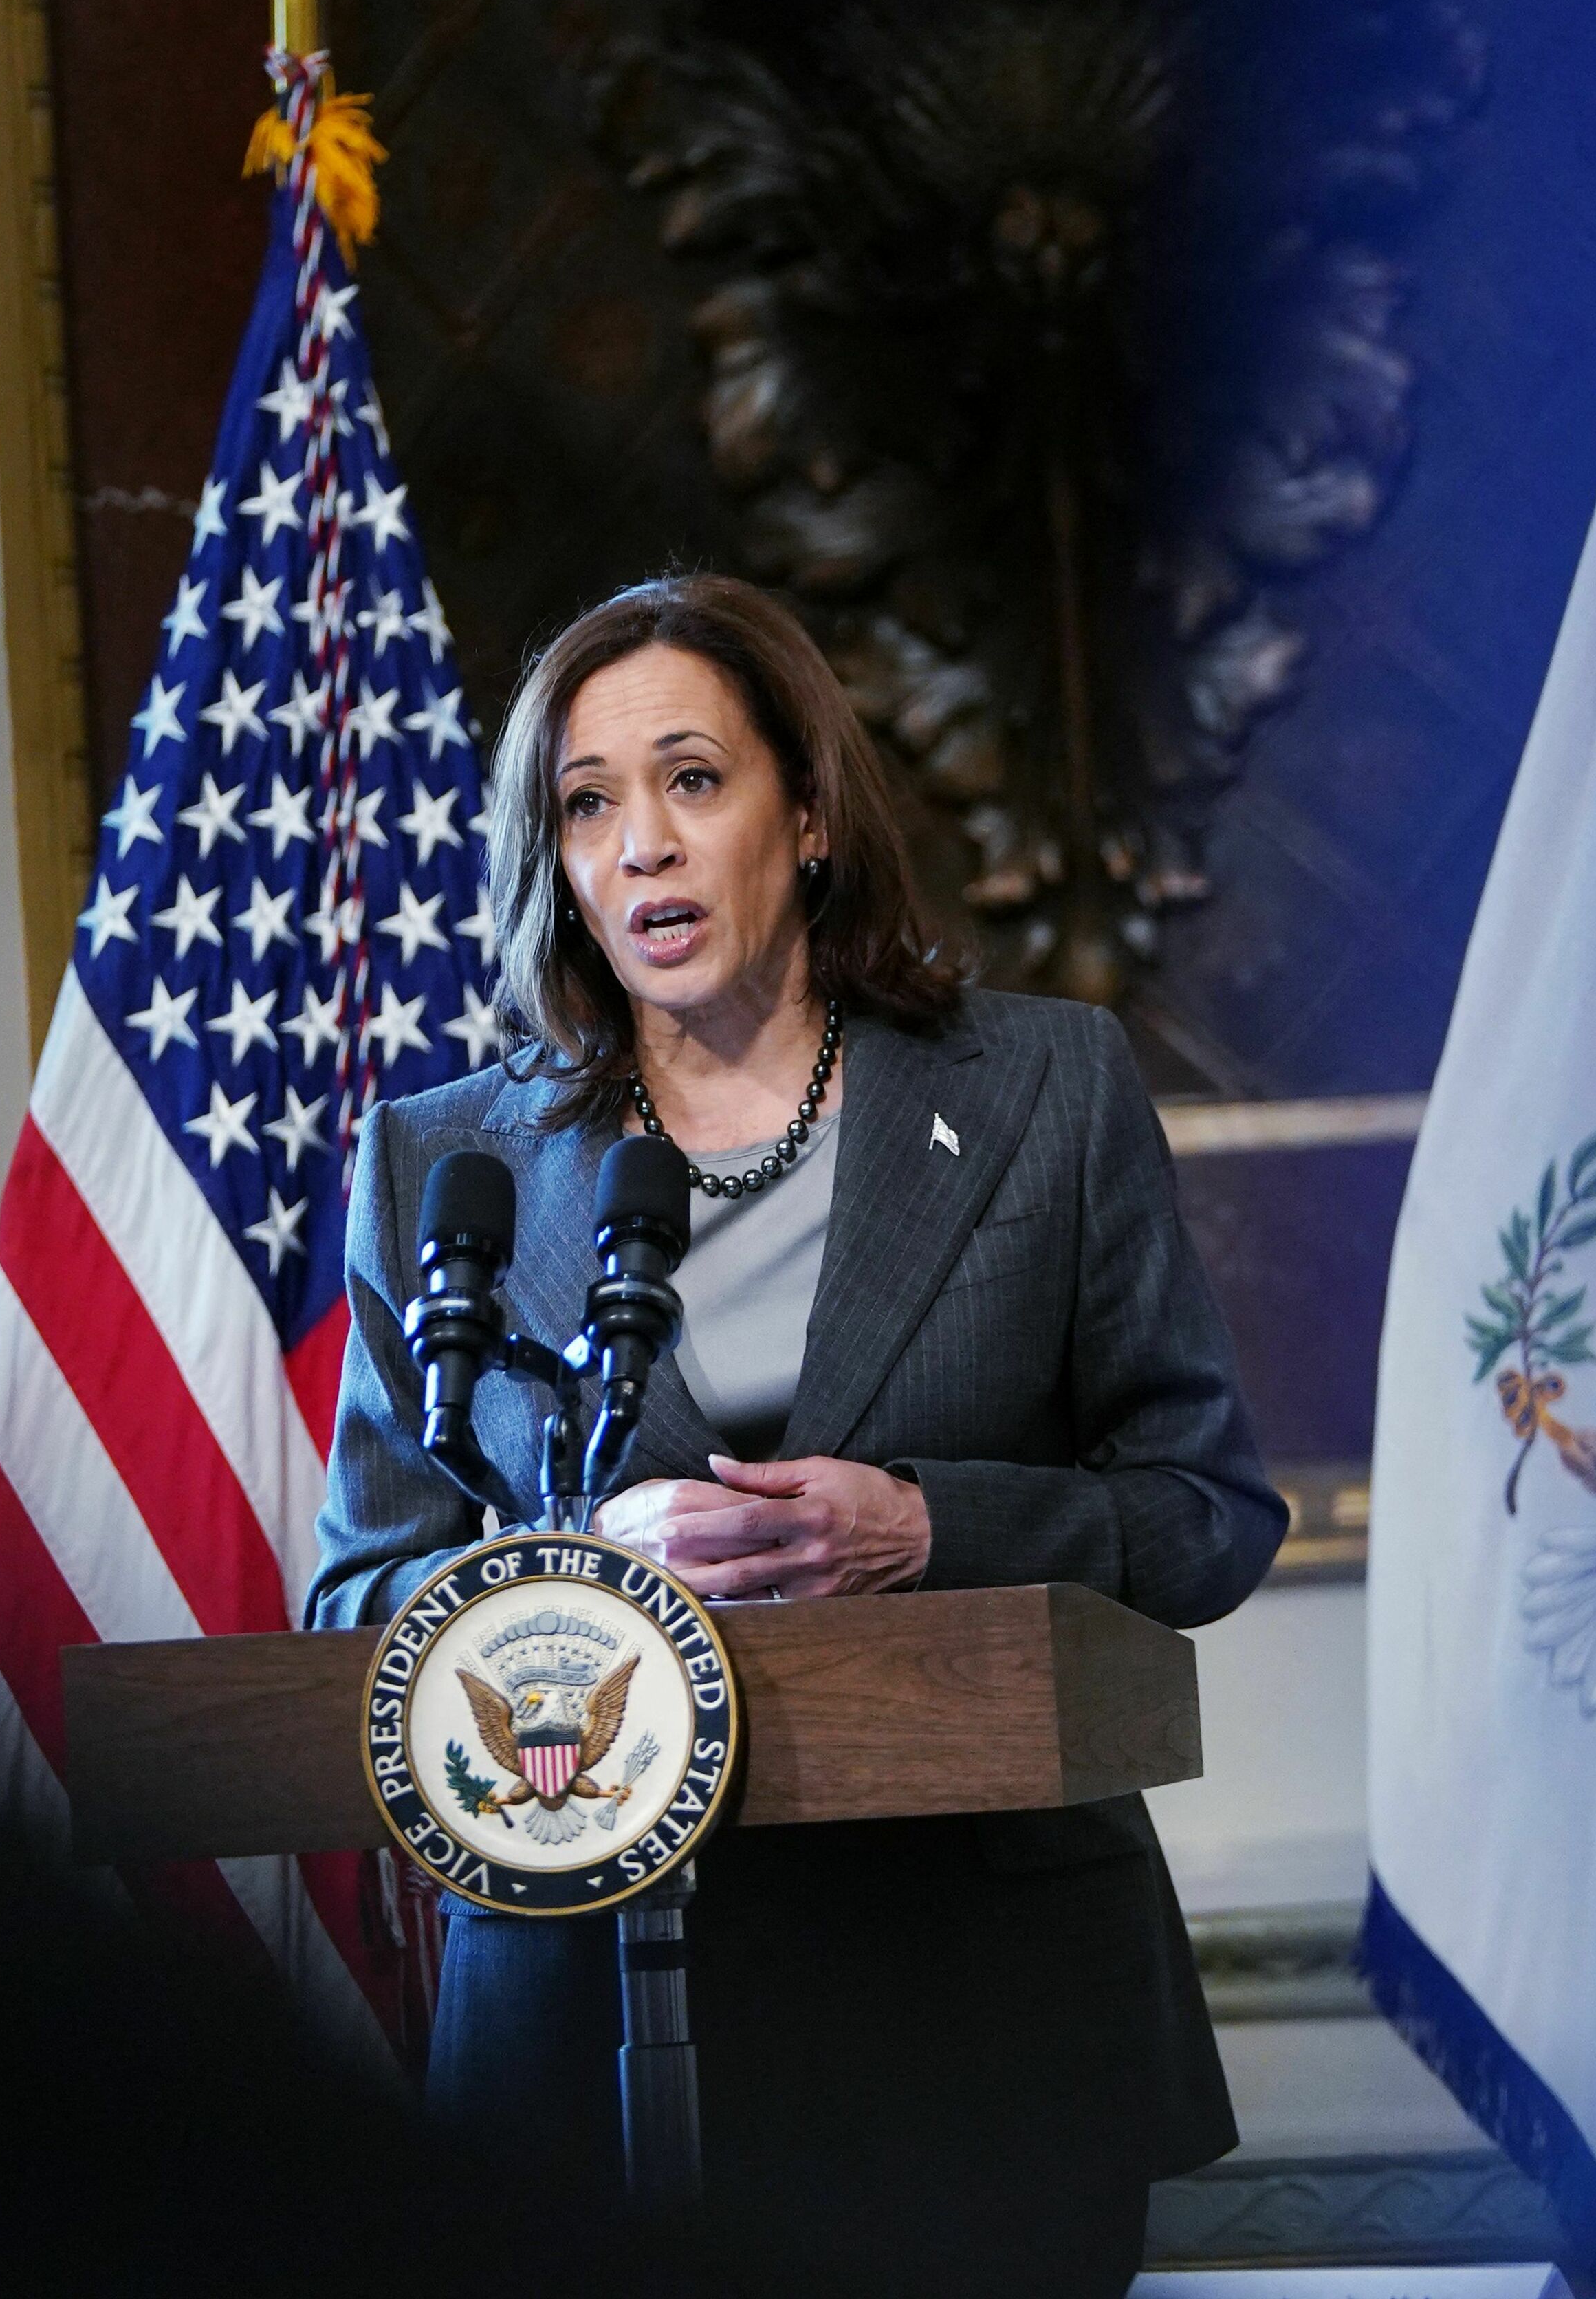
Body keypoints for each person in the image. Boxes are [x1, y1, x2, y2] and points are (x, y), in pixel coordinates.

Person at [310, 574, 1284, 2296]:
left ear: (811, 812)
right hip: (583, 2000)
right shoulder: (442, 1165)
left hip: (982, 1993)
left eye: (693, 778)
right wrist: (574, 1575)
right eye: (587, 802)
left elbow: (1203, 1512)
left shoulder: (1044, 1090)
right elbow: (358, 1598)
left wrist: (921, 1524)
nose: (642, 844)